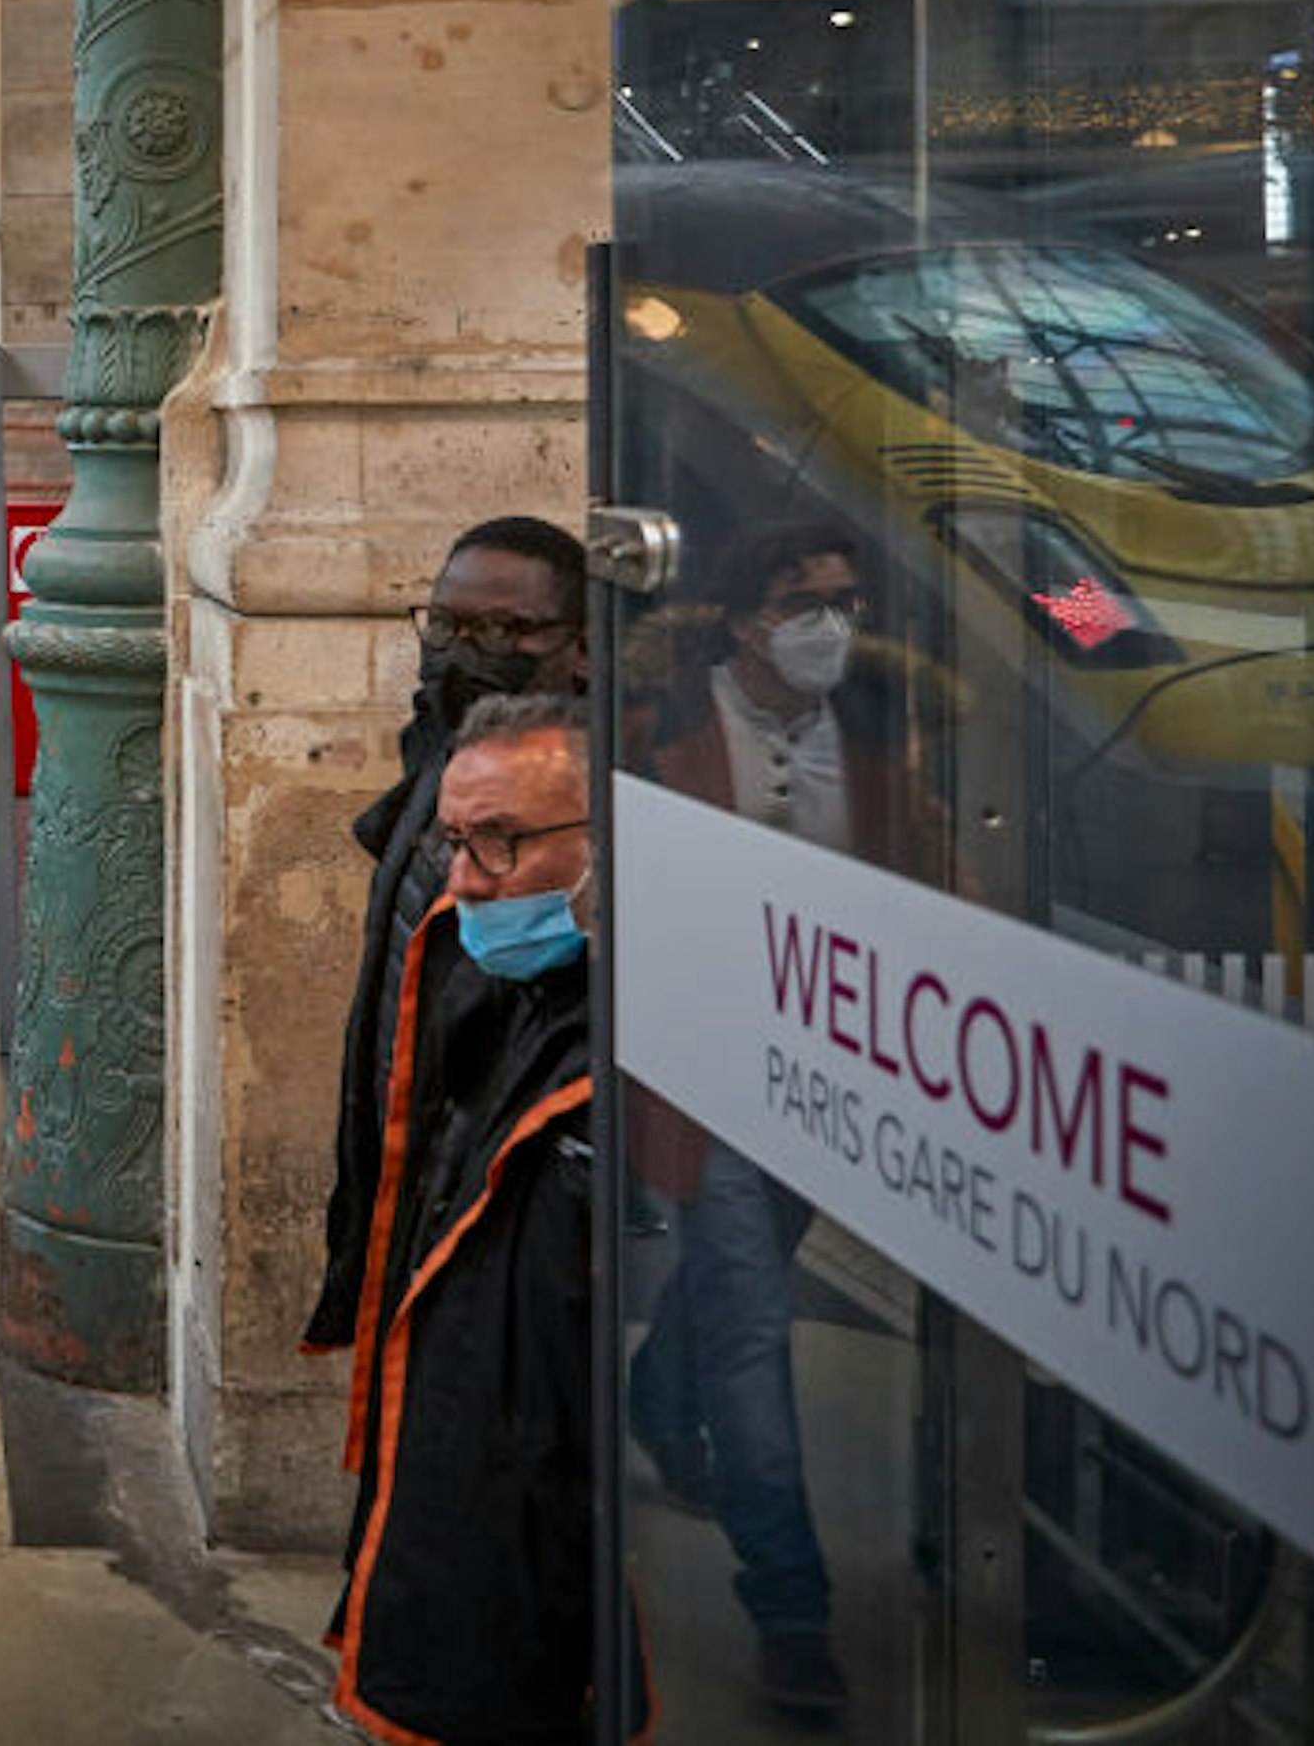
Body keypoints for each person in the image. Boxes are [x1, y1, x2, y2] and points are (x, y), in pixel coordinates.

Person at [619, 521, 937, 1723]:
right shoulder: (661, 729)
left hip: (835, 1078)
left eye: (847, 601)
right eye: (806, 603)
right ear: (747, 619)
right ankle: (791, 1606)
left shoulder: (875, 739)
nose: (831, 627)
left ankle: (658, 1394)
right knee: (753, 1319)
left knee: (734, 1278)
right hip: (710, 1073)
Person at [330, 694, 606, 1745]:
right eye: (456, 844)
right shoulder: (488, 986)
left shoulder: (640, 1068)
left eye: (501, 846)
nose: (465, 883)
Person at [307, 514, 587, 1351]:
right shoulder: (445, 752)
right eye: (451, 625)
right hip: (411, 1173)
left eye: (507, 628)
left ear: (582, 645)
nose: (469, 650)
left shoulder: (587, 801)